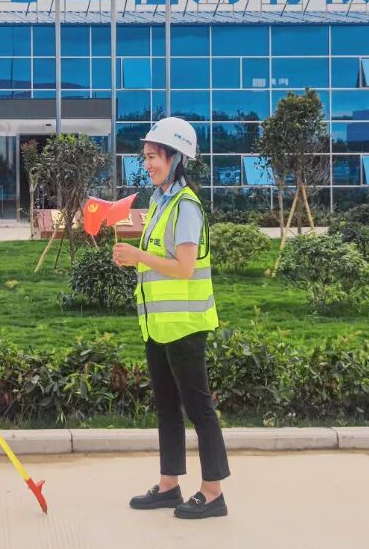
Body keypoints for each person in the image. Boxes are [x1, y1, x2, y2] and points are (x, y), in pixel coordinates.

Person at [112, 116, 230, 520]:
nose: (146, 164)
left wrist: (138, 256)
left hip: (185, 327)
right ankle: (169, 486)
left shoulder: (186, 206)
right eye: (144, 157)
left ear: (175, 158)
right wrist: (135, 256)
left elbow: (183, 267)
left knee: (198, 408)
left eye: (153, 157)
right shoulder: (161, 201)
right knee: (166, 406)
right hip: (158, 325)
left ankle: (213, 493)